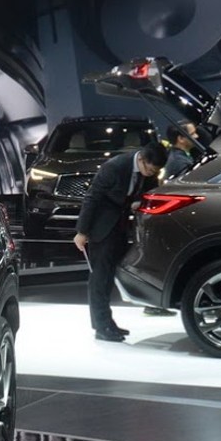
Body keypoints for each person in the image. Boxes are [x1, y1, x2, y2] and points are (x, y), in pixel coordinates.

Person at [74, 141, 166, 342]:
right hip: (101, 228)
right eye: (149, 170)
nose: (150, 174)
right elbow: (92, 198)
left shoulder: (148, 172)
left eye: (155, 172)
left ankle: (108, 323)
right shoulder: (114, 167)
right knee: (100, 278)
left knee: (109, 278)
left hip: (120, 227)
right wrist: (82, 231)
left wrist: (138, 201)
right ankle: (101, 327)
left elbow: (148, 191)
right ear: (141, 159)